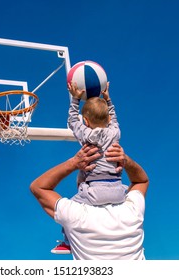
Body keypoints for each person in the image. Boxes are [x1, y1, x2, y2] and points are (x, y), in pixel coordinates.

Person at [30, 143, 149, 260]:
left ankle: (67, 242)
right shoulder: (132, 210)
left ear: (81, 187)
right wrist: (126, 161)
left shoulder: (76, 216)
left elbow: (38, 187)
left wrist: (74, 162)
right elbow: (141, 181)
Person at [51, 81, 126, 254]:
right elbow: (114, 119)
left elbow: (71, 120)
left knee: (69, 211)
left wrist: (75, 99)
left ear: (85, 121)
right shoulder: (115, 133)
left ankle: (68, 242)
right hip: (118, 190)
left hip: (95, 191)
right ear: (107, 119)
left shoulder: (86, 135)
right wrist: (108, 99)